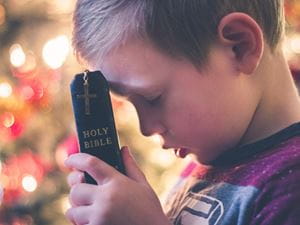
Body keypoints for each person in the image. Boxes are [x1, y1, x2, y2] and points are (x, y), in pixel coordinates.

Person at [64, 0, 300, 224]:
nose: (146, 128)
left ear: (239, 46)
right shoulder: (207, 165)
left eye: (153, 99)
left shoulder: (290, 187)